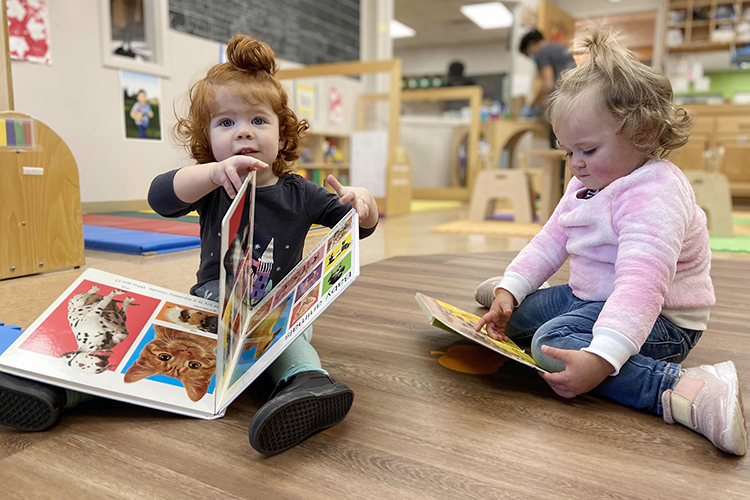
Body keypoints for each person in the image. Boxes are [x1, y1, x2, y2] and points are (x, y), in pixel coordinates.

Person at [0, 35, 380, 457]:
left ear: (282, 130)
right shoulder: (214, 185)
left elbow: (356, 227)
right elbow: (161, 197)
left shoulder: (301, 193)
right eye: (226, 123)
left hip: (278, 312)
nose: (243, 133)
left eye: (258, 121)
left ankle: (309, 384)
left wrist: (363, 206)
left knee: (277, 344)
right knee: (150, 355)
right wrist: (214, 174)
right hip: (207, 308)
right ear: (208, 139)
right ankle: (55, 391)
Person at [474, 28, 747, 456]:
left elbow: (642, 285)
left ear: (645, 133)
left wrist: (603, 356)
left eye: (587, 149)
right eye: (567, 152)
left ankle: (686, 389)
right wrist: (514, 284)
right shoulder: (587, 181)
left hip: (662, 319)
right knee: (520, 319)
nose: (575, 164)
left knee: (556, 347)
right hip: (593, 297)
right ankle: (526, 294)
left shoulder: (654, 193)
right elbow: (552, 238)